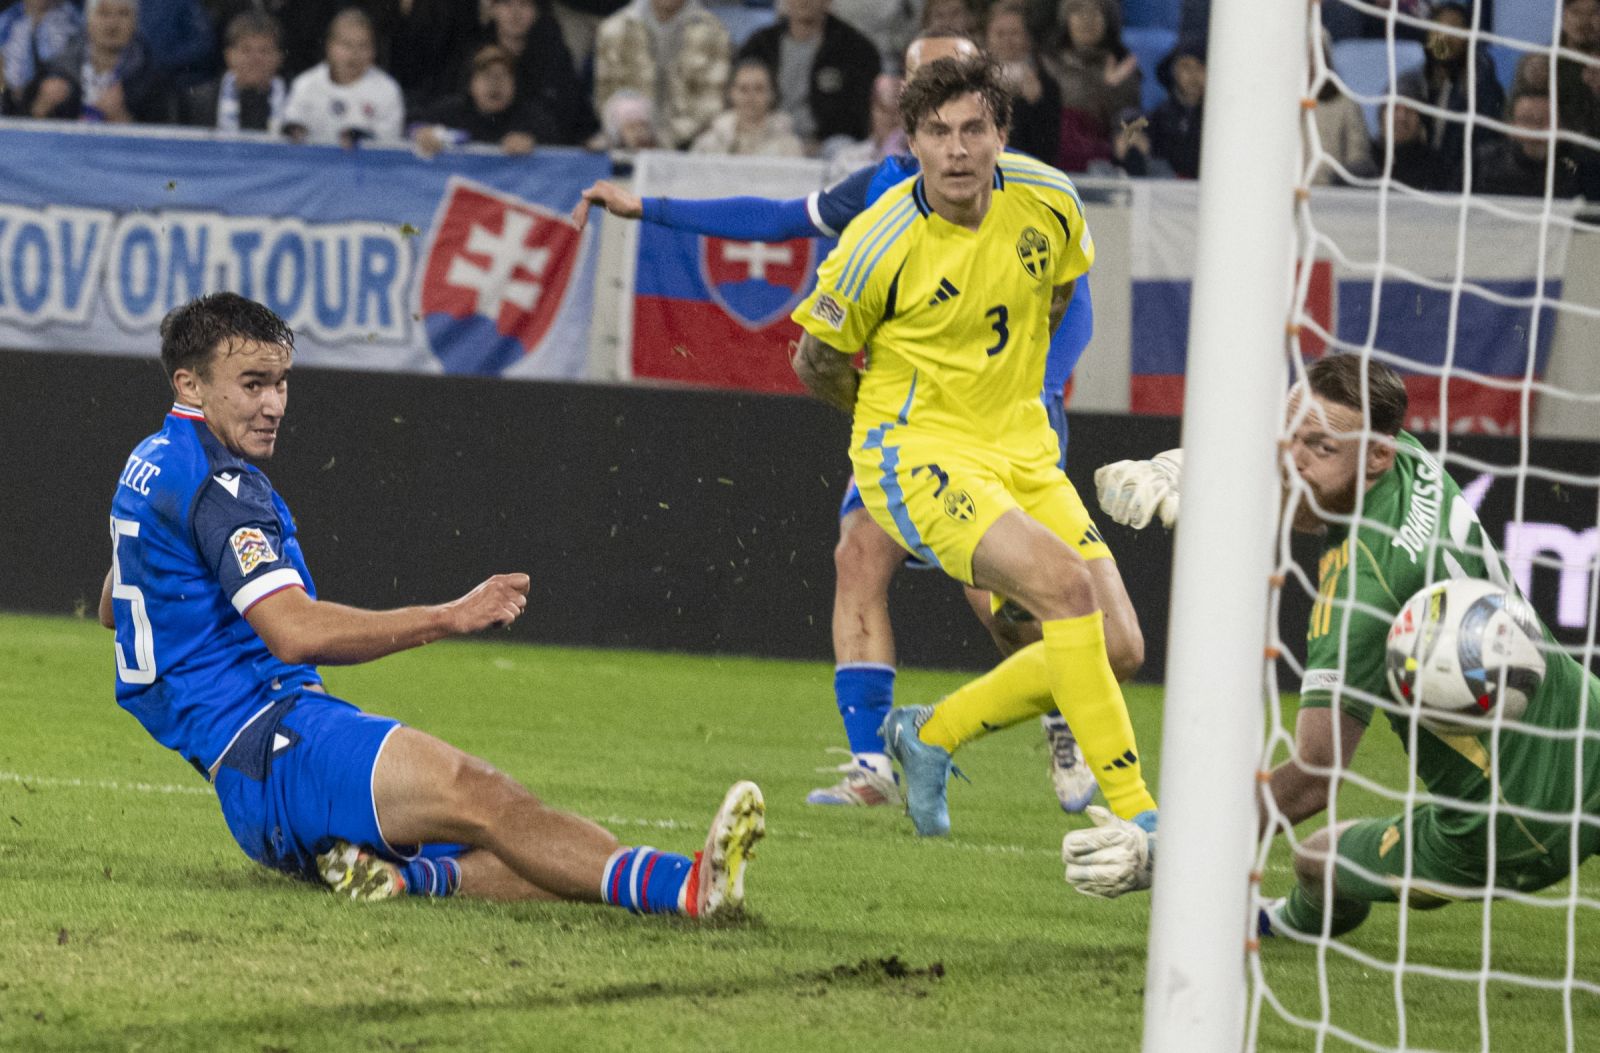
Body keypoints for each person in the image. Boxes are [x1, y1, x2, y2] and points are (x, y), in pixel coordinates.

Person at [573, 33, 1126, 818]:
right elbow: (774, 221)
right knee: (857, 553)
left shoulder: (1022, 193)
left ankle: (1062, 711)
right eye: (923, 90)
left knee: (1005, 604)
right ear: (905, 101)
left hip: (1006, 427)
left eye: (955, 96)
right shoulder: (882, 188)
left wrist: (1036, 390)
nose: (945, 122)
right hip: (909, 430)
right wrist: (651, 208)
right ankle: (875, 762)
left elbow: (1073, 302)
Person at [100, 292, 765, 914]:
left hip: (250, 783)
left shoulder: (151, 463)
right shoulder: (221, 483)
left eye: (281, 382)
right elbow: (293, 632)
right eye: (253, 384)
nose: (274, 402)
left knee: (525, 840)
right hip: (282, 743)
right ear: (189, 383)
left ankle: (407, 876)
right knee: (486, 795)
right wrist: (452, 615)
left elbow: (114, 602)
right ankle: (688, 886)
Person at [1073, 355, 1600, 929]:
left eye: (1320, 449)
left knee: (1314, 861)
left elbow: (1315, 777)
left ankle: (1281, 923)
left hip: (1508, 827)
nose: (1293, 465)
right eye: (1292, 437)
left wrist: (1178, 852)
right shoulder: (1411, 462)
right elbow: (1302, 487)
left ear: (1377, 456)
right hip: (1588, 726)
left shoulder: (1362, 595)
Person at [788, 56, 1158, 844]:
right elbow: (813, 359)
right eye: (936, 132)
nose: (956, 150)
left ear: (1000, 135)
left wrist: (1013, 385)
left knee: (1120, 646)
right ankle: (1140, 815)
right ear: (912, 143)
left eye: (972, 130)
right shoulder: (875, 243)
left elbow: (1060, 290)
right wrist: (891, 423)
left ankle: (933, 731)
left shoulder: (1050, 200)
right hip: (918, 455)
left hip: (1020, 444)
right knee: (1064, 590)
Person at [737, 0, 881, 151]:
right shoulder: (759, 45)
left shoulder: (856, 49)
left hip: (825, 145)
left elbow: (860, 115)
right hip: (766, 137)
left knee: (840, 146)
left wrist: (815, 143)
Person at [1396, 2, 1505, 192]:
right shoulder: (1412, 83)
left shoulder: (1483, 87)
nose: (1445, 37)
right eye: (1439, 28)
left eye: (1455, 29)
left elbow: (1485, 147)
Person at [593, 0, 730, 150]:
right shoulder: (614, 30)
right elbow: (606, 97)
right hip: (626, 144)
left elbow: (711, 104)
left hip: (690, 146)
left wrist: (661, 140)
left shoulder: (714, 33)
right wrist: (628, 132)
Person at [462, 0, 598, 147]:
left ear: (536, 12)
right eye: (507, 4)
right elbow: (460, 107)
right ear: (493, 9)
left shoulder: (554, 53)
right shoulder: (474, 52)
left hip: (545, 149)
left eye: (525, 5)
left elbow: (570, 111)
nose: (516, 14)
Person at [26, 0, 174, 124]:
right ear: (88, 20)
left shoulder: (151, 78)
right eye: (103, 13)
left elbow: (164, 144)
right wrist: (40, 107)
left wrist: (121, 117)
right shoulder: (55, 71)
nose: (112, 24)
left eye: (123, 14)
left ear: (135, 23)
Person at [1041, 0, 1140, 173]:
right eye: (1078, 12)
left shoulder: (1122, 68)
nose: (1087, 20)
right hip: (1052, 161)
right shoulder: (1046, 64)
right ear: (1066, 19)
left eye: (1095, 13)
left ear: (1108, 21)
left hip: (1103, 168)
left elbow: (1130, 125)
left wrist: (1112, 89)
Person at [282, 8, 404, 146]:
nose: (354, 54)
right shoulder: (305, 84)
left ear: (373, 51)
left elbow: (389, 144)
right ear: (329, 47)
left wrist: (362, 139)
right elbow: (291, 128)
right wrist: (296, 131)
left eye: (363, 46)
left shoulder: (387, 90)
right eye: (346, 45)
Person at [411, 44, 559, 158]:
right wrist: (421, 132)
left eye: (503, 76)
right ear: (470, 83)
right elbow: (411, 124)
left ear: (515, 84)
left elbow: (560, 149)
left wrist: (534, 145)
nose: (495, 84)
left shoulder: (534, 120)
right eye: (487, 76)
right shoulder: (450, 111)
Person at [181, 11, 286, 134]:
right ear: (229, 55)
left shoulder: (296, 100)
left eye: (265, 51)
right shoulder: (199, 101)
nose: (256, 59)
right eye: (246, 50)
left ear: (279, 57)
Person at [985, 0, 1061, 165]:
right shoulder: (973, 81)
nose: (1007, 40)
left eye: (1014, 33)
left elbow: (1047, 147)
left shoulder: (1046, 84)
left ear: (1028, 39)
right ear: (988, 38)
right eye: (1000, 33)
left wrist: (1034, 105)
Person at [691, 56, 804, 157]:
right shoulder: (709, 142)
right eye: (743, 89)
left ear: (772, 94)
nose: (751, 97)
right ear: (731, 93)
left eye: (759, 89)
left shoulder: (789, 145)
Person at [0, 0, 81, 111]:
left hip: (57, 97)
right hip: (11, 97)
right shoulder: (7, 19)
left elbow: (71, 65)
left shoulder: (72, 18)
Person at [1146, 38, 1204, 180]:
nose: (1193, 75)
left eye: (1201, 66)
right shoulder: (1158, 118)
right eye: (1186, 67)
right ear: (1174, 72)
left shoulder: (1224, 118)